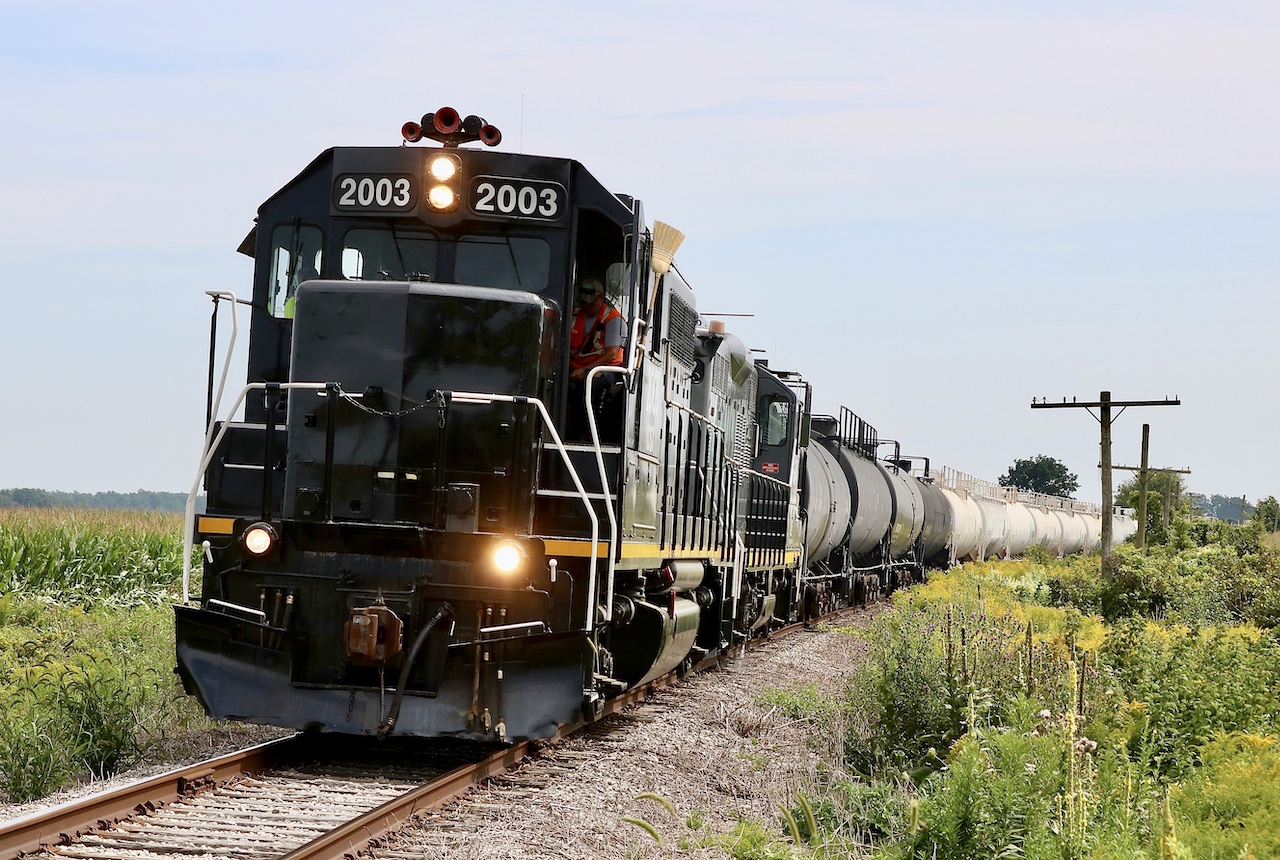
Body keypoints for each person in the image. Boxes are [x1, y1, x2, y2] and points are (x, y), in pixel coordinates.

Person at [567, 278, 625, 439]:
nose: (586, 306)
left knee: (595, 381)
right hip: (576, 366)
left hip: (607, 369)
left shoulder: (614, 320)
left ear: (600, 298)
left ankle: (591, 432)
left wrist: (586, 370)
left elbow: (611, 354)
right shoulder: (573, 315)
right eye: (583, 302)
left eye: (590, 303)